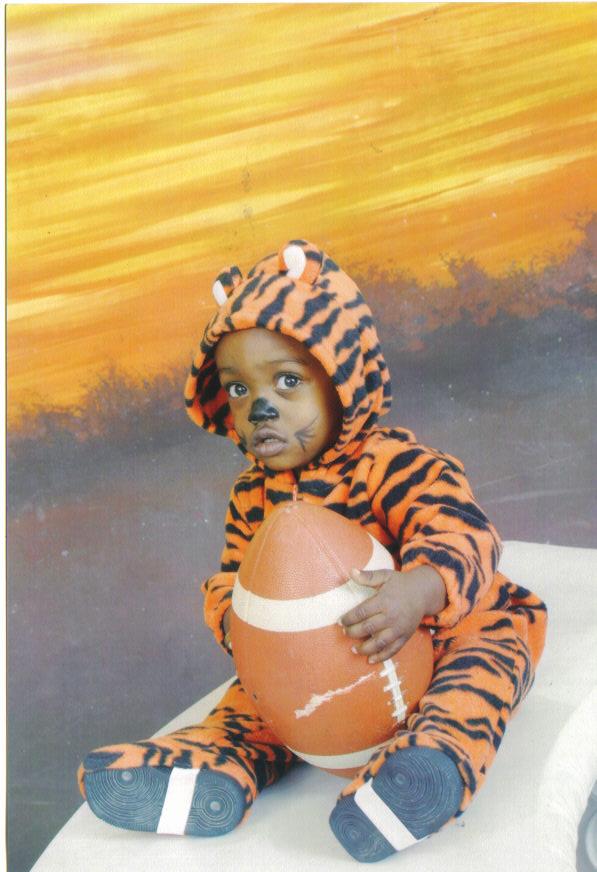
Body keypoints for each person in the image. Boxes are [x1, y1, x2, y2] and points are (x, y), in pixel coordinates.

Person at [78, 240, 547, 862]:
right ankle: (212, 769)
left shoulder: (392, 463)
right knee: (254, 701)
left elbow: (465, 531)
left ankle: (426, 772)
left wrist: (419, 589)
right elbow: (234, 580)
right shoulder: (252, 496)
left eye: (287, 381)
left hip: (442, 635)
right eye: (238, 389)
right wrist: (247, 631)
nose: (260, 407)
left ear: (343, 380)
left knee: (482, 665)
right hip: (327, 673)